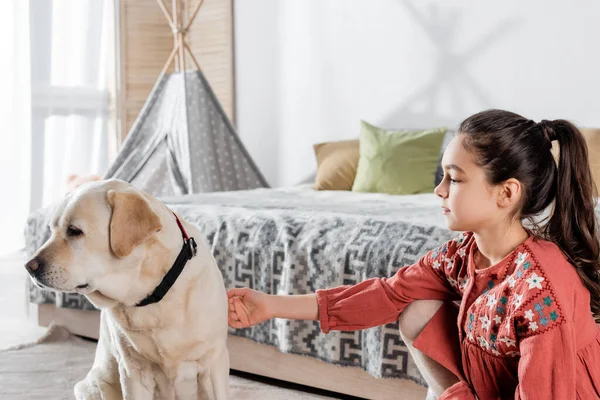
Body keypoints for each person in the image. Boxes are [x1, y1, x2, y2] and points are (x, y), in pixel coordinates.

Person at [227, 109, 600, 399]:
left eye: (453, 178)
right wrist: (270, 305)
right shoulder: (461, 255)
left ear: (506, 193)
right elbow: (384, 295)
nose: (438, 190)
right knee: (417, 306)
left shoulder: (540, 290)